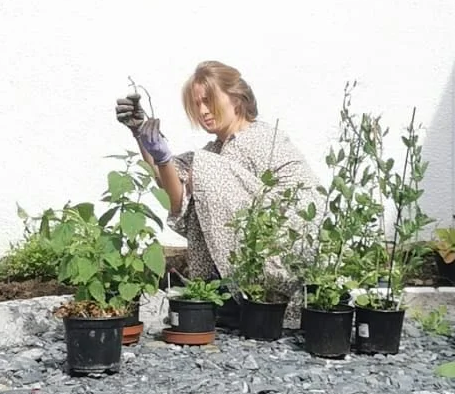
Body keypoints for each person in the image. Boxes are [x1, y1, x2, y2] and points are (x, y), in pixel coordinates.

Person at [114, 61, 316, 282]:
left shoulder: (257, 138)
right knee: (199, 169)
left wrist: (169, 163)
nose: (202, 111)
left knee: (203, 168)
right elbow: (172, 187)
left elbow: (188, 183)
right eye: (197, 104)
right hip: (257, 257)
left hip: (291, 253)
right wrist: (141, 134)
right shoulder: (217, 150)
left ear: (236, 98)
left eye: (209, 101)